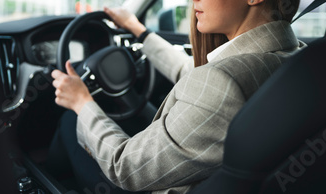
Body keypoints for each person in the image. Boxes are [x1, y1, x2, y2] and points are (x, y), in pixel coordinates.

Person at [50, 0, 305, 193]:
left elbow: (125, 167)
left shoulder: (221, 82)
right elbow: (194, 75)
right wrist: (139, 31)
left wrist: (81, 102)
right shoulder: (297, 56)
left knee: (70, 122)